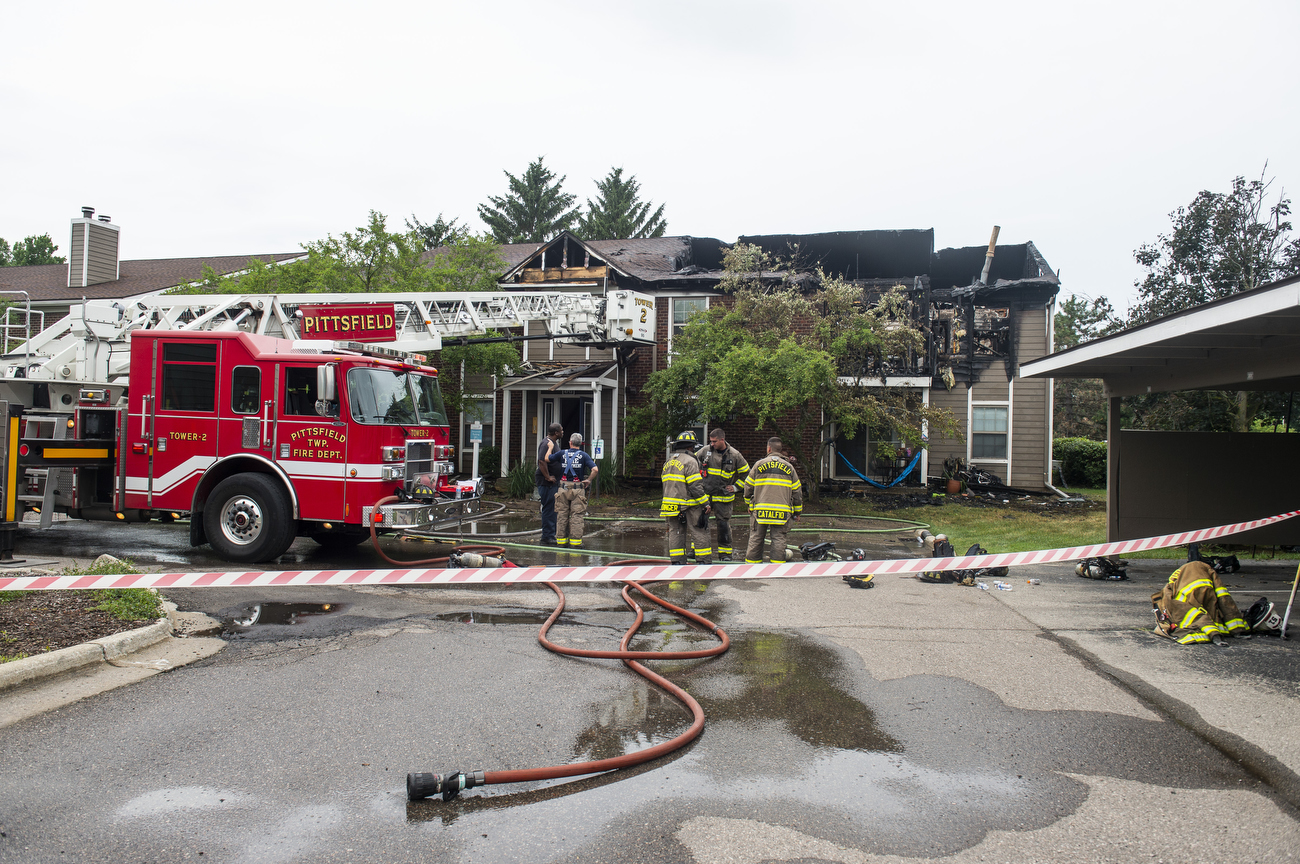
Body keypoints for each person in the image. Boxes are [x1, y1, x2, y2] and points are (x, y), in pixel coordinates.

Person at [1152, 560, 1251, 644]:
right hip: (1201, 614)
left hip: (1190, 616)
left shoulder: (1173, 587)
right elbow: (1225, 602)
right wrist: (1237, 630)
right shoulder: (1208, 572)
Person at [743, 437, 802, 564]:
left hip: (760, 510)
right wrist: (797, 512)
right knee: (779, 538)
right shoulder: (789, 467)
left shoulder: (759, 465)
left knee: (756, 538)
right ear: (780, 450)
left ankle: (752, 566)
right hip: (781, 511)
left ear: (769, 448)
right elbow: (797, 491)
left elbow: (748, 486)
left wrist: (749, 503)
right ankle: (777, 567)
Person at [694, 428, 750, 560]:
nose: (712, 444)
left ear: (722, 440)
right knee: (700, 523)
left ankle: (725, 554)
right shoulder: (704, 451)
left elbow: (747, 475)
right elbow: (692, 464)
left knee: (723, 525)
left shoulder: (735, 455)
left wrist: (736, 487)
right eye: (711, 441)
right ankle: (696, 550)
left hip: (723, 498)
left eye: (714, 442)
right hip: (705, 496)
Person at [660, 431, 711, 565]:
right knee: (699, 530)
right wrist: (705, 503)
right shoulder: (690, 461)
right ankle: (703, 562)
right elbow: (695, 486)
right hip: (688, 504)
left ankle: (677, 562)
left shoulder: (669, 462)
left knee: (676, 532)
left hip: (669, 505)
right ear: (690, 447)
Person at [554, 432, 598, 548]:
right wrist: (588, 480)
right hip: (578, 489)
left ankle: (561, 542)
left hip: (563, 488)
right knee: (577, 516)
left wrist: (549, 448)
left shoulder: (562, 453)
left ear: (570, 442)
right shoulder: (584, 455)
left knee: (562, 515)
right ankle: (575, 543)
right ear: (581, 444)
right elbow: (595, 469)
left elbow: (548, 459)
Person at [535, 422, 564, 545]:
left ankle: (550, 534)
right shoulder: (546, 443)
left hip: (553, 482)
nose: (563, 432)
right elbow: (541, 461)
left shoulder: (552, 443)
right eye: (561, 430)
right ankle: (547, 537)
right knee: (549, 509)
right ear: (556, 432)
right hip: (547, 483)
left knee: (552, 508)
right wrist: (547, 477)